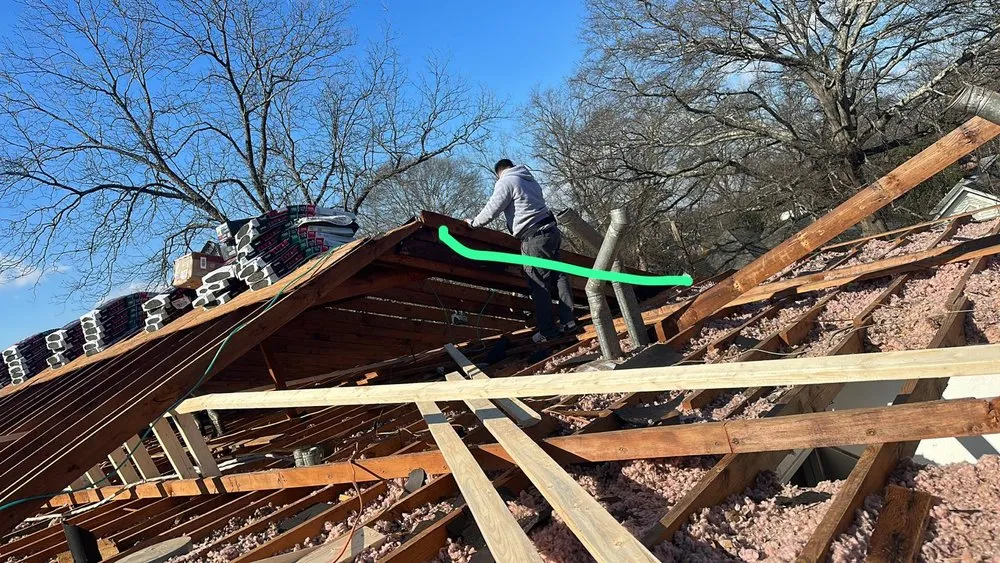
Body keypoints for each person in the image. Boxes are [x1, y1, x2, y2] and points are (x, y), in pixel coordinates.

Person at [467, 159, 576, 343]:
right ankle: (569, 321)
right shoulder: (529, 179)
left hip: (534, 238)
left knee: (538, 284)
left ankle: (547, 332)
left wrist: (474, 223)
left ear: (498, 173)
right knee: (559, 277)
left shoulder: (506, 181)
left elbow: (493, 208)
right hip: (551, 231)